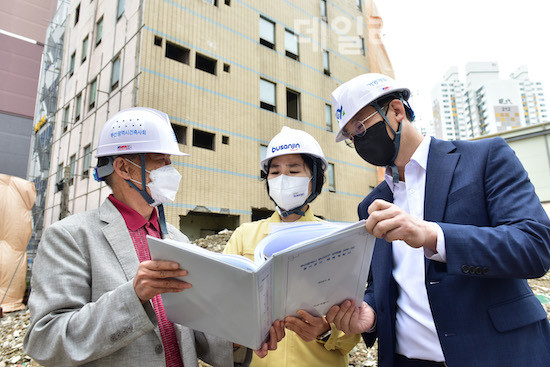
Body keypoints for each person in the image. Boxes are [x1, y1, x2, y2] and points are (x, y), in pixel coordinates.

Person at [24, 107, 284, 367]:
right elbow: (46, 340)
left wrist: (238, 338)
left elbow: (189, 335)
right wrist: (133, 296)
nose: (171, 170)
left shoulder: (177, 240)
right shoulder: (70, 237)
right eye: (161, 160)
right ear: (124, 167)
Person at [325, 73, 550, 367]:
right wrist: (370, 314)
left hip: (498, 353)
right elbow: (383, 285)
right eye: (352, 138)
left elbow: (534, 247)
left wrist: (434, 235)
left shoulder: (484, 159)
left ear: (396, 111)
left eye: (360, 127)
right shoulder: (371, 205)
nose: (359, 141)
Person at [223, 126, 360, 367]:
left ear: (314, 178)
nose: (283, 178)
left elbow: (354, 331)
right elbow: (221, 306)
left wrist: (325, 332)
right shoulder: (245, 236)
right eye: (275, 171)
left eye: (293, 170)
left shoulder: (337, 239)